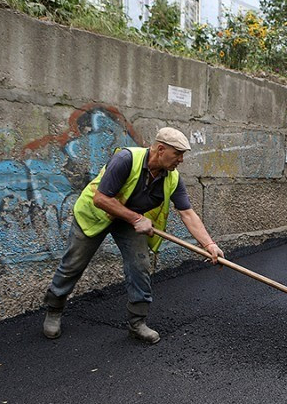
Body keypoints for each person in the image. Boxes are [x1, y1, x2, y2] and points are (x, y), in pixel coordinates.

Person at [42, 127, 224, 344]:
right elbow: (100, 199)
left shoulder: (172, 179)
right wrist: (137, 219)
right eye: (177, 154)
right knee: (74, 263)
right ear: (161, 149)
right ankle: (54, 309)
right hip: (95, 214)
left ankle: (137, 323)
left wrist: (209, 245)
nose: (181, 160)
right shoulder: (126, 159)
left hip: (129, 220)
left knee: (140, 265)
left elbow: (187, 213)